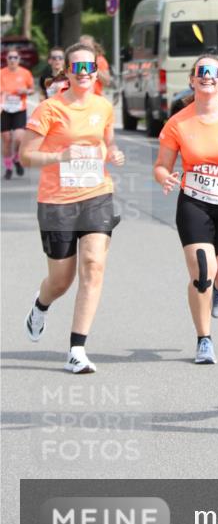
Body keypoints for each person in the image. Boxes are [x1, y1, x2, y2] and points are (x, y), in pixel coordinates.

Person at [19, 41, 125, 374]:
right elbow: (26, 156)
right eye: (77, 67)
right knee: (61, 280)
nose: (84, 73)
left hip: (96, 194)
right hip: (56, 201)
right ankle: (41, 304)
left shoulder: (103, 107)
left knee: (93, 265)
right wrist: (58, 157)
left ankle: (77, 349)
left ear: (96, 71)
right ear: (66, 71)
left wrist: (114, 154)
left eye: (89, 67)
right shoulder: (50, 109)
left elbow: (106, 144)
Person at [153, 54, 218, 365]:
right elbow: (161, 165)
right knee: (203, 271)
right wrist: (166, 177)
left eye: (215, 73)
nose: (208, 77)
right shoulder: (178, 122)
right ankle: (204, 340)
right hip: (194, 202)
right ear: (192, 79)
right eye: (202, 72)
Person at [1, 48, 34, 179]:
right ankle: (8, 167)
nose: (13, 60)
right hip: (4, 109)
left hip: (19, 108)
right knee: (7, 139)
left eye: (15, 57)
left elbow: (32, 90)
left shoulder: (25, 73)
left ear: (19, 60)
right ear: (6, 59)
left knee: (19, 138)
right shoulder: (1, 73)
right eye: (10, 57)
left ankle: (16, 158)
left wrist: (25, 91)